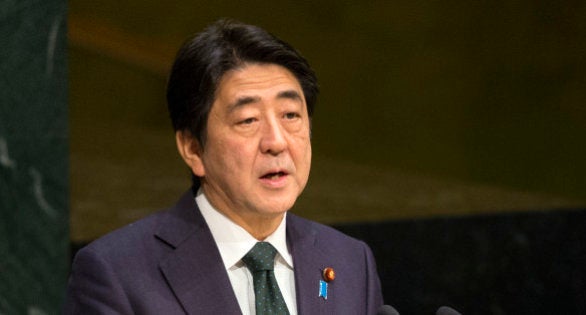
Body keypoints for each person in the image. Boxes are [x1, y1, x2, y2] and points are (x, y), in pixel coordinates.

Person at [64, 19, 383, 315]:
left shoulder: (349, 260)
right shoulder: (116, 272)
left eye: (290, 115)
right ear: (193, 148)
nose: (277, 142)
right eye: (248, 120)